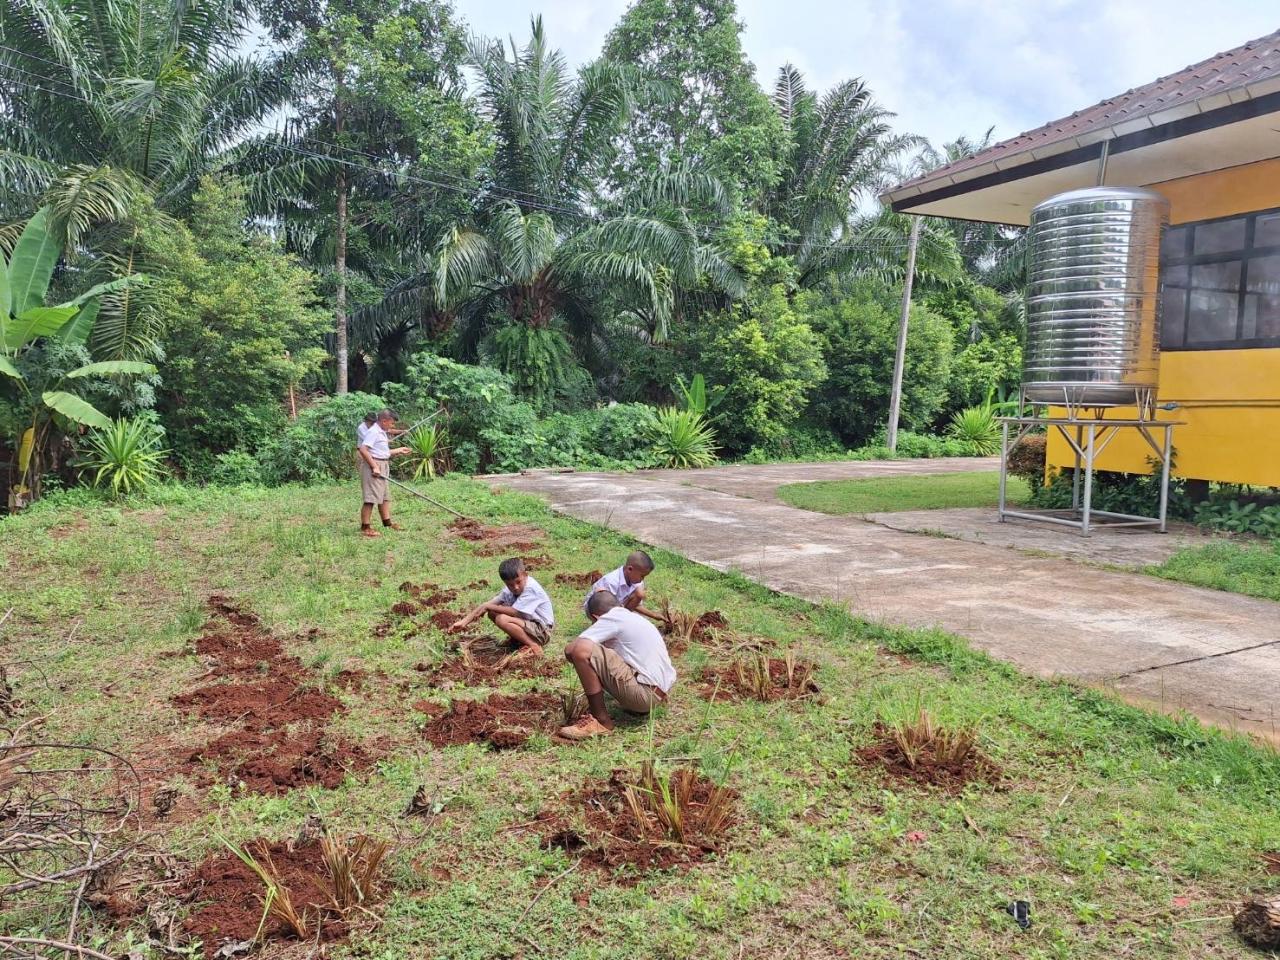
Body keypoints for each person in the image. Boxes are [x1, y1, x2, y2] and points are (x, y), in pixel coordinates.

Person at [559, 591, 676, 741]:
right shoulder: (633, 618)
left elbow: (574, 650)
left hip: (644, 696)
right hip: (658, 693)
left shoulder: (610, 619)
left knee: (580, 652)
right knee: (600, 652)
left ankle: (600, 720)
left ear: (596, 618)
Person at [450, 557, 554, 656]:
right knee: (492, 613)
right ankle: (517, 641)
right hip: (529, 625)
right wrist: (464, 622)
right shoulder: (509, 589)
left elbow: (514, 612)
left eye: (518, 582)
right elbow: (488, 604)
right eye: (510, 585)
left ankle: (533, 645)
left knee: (502, 619)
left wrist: (488, 606)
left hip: (542, 631)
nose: (515, 587)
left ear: (525, 575)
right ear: (505, 582)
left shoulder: (531, 588)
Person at [357, 409, 410, 538]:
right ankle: (365, 528)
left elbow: (381, 451)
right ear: (384, 421)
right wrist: (374, 466)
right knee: (371, 498)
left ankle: (387, 523)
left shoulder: (381, 432)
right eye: (391, 424)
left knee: (384, 497)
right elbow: (364, 449)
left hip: (383, 464)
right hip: (374, 465)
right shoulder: (373, 432)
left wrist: (398, 450)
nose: (392, 427)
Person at [584, 551, 663, 623]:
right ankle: (602, 626)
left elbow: (637, 606)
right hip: (595, 609)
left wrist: (654, 615)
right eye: (642, 576)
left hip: (616, 606)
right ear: (630, 569)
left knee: (639, 594)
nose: (642, 580)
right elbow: (604, 606)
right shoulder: (611, 582)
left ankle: (621, 622)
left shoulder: (636, 582)